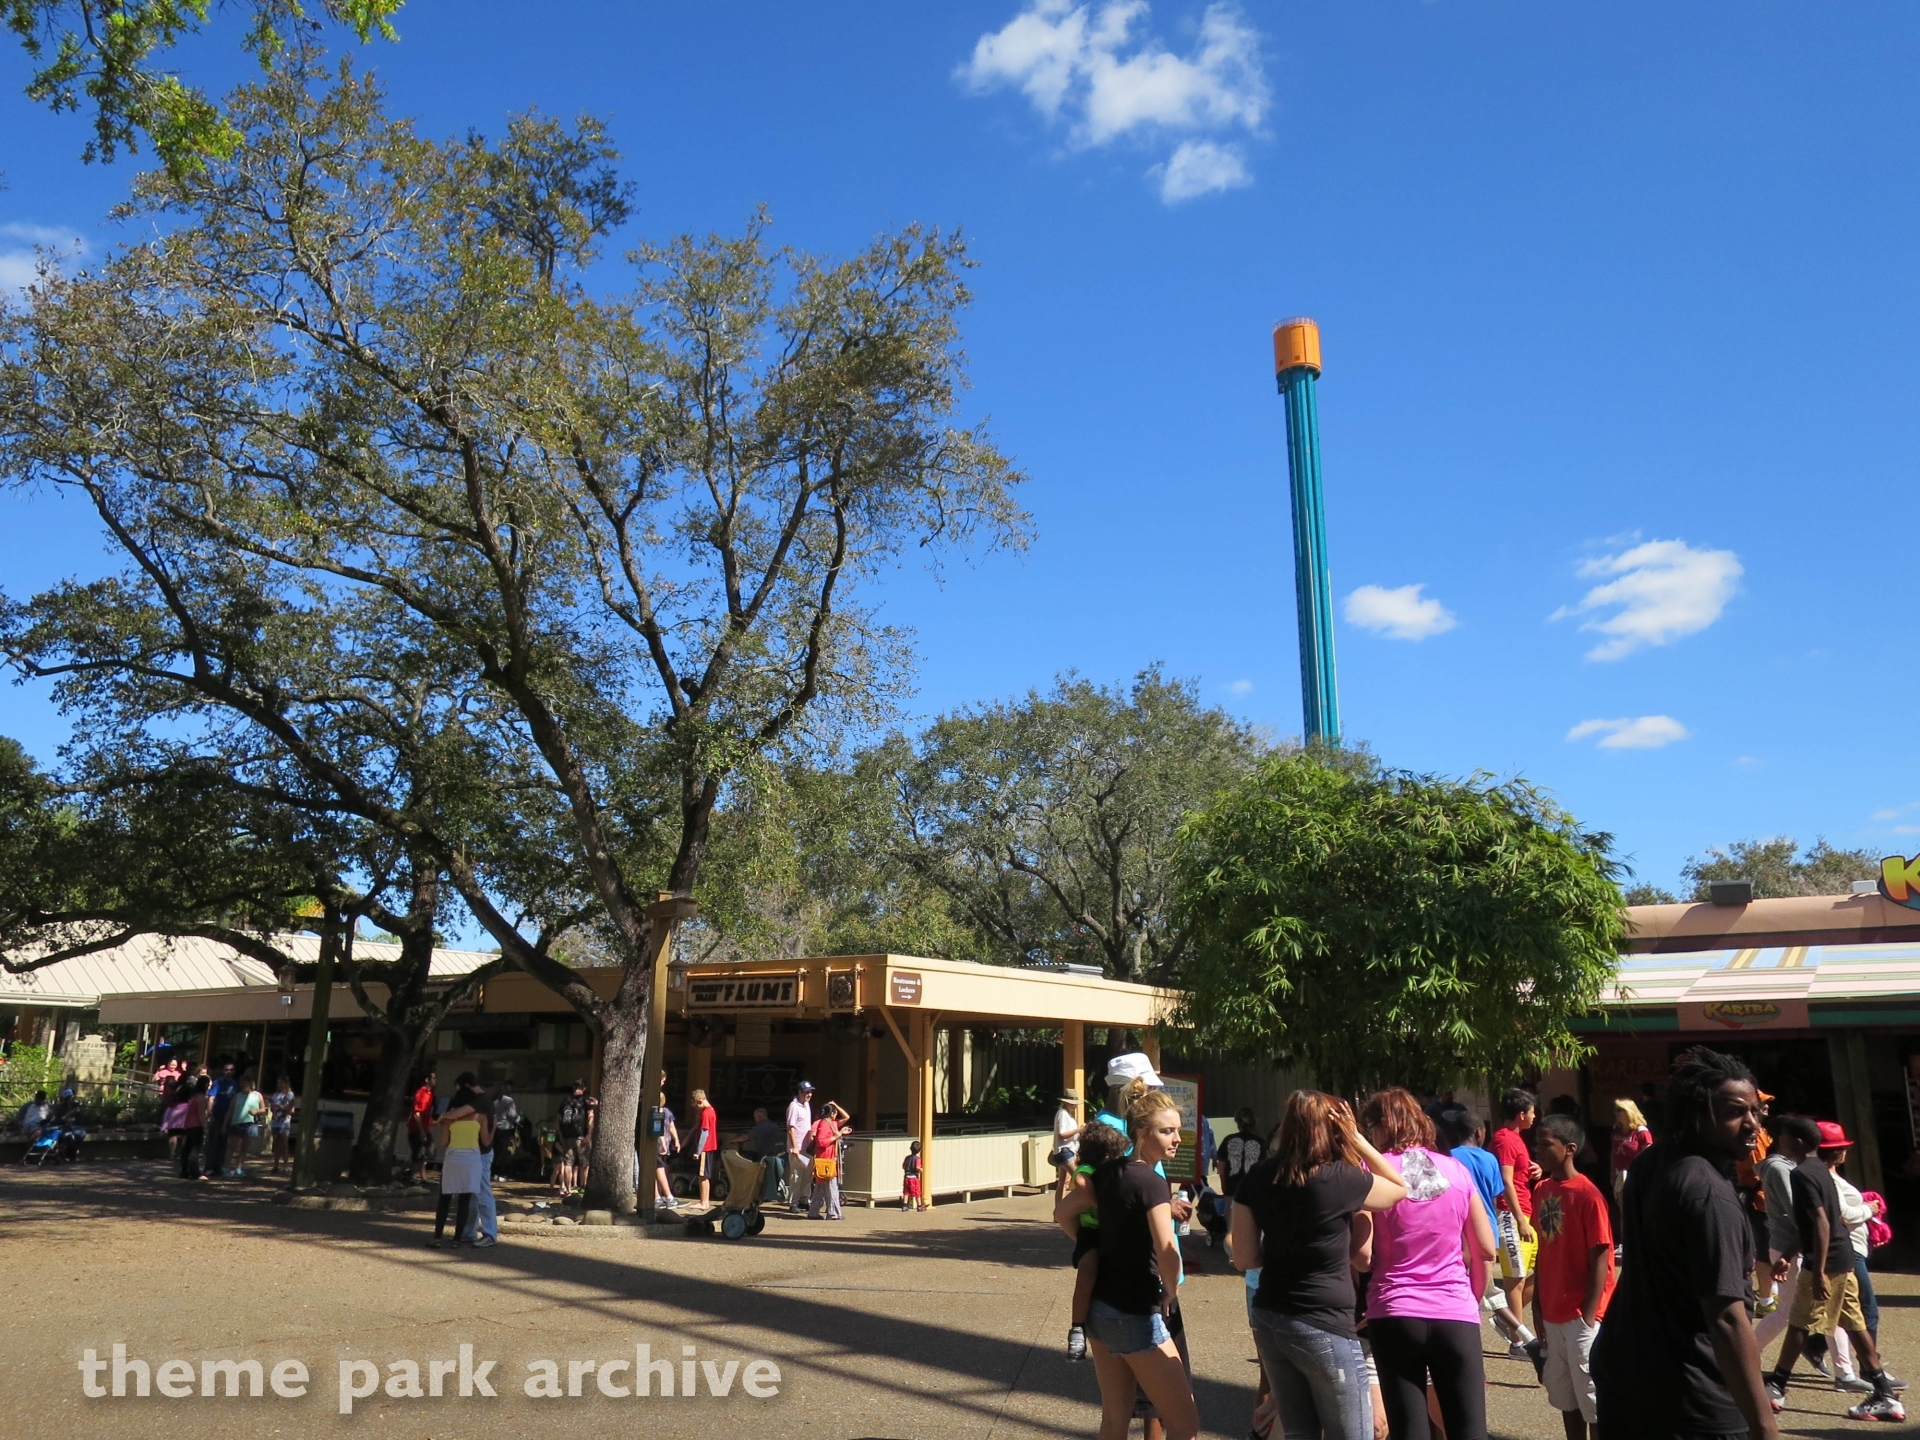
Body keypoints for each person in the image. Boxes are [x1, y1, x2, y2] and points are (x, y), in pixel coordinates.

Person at [1591, 1045, 1779, 1440]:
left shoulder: (1651, 1162)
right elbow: (1727, 1318)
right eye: (1734, 1112)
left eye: (1756, 1111)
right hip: (1689, 1397)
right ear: (1695, 1114)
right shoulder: (1707, 1194)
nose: (1752, 1124)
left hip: (1627, 1375)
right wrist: (1764, 1427)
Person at [1231, 1090, 1408, 1440]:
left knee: (1299, 1432)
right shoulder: (1340, 1178)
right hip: (1324, 1319)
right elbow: (1398, 1188)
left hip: (1270, 1318)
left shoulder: (1258, 1176)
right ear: (1335, 1130)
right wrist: (1358, 1141)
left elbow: (1245, 1258)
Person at [1057, 1085, 1201, 1440]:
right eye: (1166, 1131)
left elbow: (1063, 1214)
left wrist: (1092, 1244)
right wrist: (1170, 1290)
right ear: (1141, 1132)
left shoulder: (1108, 1173)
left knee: (1114, 1418)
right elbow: (1167, 1250)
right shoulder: (1151, 1183)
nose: (1177, 1139)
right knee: (1186, 1424)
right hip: (1136, 1311)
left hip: (1100, 1310)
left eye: (1178, 1130)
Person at [1359, 1087, 1496, 1440]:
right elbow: (1485, 1249)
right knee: (1469, 1429)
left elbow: (1363, 1255)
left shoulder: (1371, 1173)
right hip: (1455, 1311)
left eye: (1370, 1128)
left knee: (1409, 1430)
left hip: (1394, 1309)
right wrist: (1471, 1298)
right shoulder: (1457, 1170)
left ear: (1382, 1127)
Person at [1765, 1117, 1904, 1421]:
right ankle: (1885, 1395)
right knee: (1854, 1324)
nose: (1779, 1141)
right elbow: (1817, 1221)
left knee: (1800, 1322)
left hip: (1826, 1261)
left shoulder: (1802, 1173)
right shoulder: (1820, 1170)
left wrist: (1817, 1271)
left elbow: (1821, 1222)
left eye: (1783, 1136)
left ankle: (1776, 1385)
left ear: (1797, 1142)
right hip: (1843, 1258)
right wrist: (1788, 1255)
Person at [1532, 1112, 1615, 1440]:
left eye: (1545, 1144)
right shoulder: (1542, 1189)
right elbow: (1544, 1249)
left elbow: (1601, 1258)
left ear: (1569, 1149)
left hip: (1582, 1315)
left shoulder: (1587, 1195)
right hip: (1552, 1310)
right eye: (1536, 1143)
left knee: (1592, 1398)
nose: (1537, 1149)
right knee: (1565, 1395)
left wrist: (1589, 1315)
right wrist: (1538, 1303)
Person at [1059, 1119, 1130, 1360]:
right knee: (1087, 1271)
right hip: (1091, 1232)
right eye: (1113, 1154)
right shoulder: (1087, 1169)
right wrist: (1101, 1203)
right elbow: (1080, 1180)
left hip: (1114, 1231)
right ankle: (1077, 1328)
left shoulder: (1118, 1169)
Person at [1824, 1126, 1883, 1393]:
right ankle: (1871, 1369)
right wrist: (1869, 1209)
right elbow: (1844, 1215)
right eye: (1842, 1148)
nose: (1845, 1151)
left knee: (1843, 1309)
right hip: (1848, 1249)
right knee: (1866, 1310)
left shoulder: (1833, 1176)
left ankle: (1816, 1347)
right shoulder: (1828, 1179)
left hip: (1854, 1247)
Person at [1487, 1087, 1543, 1363]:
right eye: (1532, 1111)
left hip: (1524, 1212)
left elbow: (1518, 1173)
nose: (1534, 1116)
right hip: (1511, 1215)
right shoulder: (1505, 1140)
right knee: (1516, 1279)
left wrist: (1535, 1169)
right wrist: (1519, 1218)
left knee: (1537, 1273)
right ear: (1521, 1114)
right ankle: (1517, 1341)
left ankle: (1507, 1318)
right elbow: (1506, 1180)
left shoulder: (1515, 1139)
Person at [1755, 1116, 1810, 1345]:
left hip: (1795, 1244)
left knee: (1827, 1309)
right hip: (1789, 1245)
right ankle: (1747, 1355)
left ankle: (1843, 1365)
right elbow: (1796, 1210)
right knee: (1786, 1312)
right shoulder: (1779, 1168)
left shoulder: (1789, 1165)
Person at [432, 1080, 492, 1247]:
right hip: (471, 1159)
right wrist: (494, 1129)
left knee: (444, 1199)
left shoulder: (451, 1118)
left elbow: (444, 1142)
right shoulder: (480, 1117)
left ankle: (437, 1238)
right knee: (464, 1202)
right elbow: (486, 1142)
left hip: (453, 1158)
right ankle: (457, 1239)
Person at [807, 1101, 852, 1220]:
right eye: (835, 1112)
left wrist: (835, 1105)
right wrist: (837, 1135)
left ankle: (813, 1212)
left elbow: (846, 1117)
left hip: (827, 1159)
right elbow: (821, 1142)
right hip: (826, 1160)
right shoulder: (824, 1124)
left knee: (820, 1188)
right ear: (831, 1114)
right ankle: (833, 1213)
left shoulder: (831, 1123)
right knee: (831, 1187)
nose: (836, 1115)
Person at [554, 1080, 592, 1199]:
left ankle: (568, 1189)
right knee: (584, 1163)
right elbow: (590, 1117)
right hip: (581, 1137)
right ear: (584, 1089)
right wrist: (589, 1134)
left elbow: (558, 1119)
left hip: (566, 1136)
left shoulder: (565, 1101)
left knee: (568, 1163)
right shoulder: (586, 1101)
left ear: (573, 1088)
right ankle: (583, 1187)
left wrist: (560, 1135)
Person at [1219, 1107, 1265, 1200]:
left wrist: (1223, 1184)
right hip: (1253, 1189)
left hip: (1232, 1188)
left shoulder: (1228, 1140)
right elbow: (1264, 1168)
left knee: (1230, 1209)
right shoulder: (1261, 1142)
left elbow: (1221, 1165)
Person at [223, 1074, 264, 1179]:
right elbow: (230, 1111)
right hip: (236, 1124)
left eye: (244, 1084)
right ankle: (226, 1169)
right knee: (231, 1147)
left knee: (244, 1148)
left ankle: (238, 1169)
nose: (242, 1086)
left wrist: (256, 1111)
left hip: (250, 1124)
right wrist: (224, 1124)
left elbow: (263, 1109)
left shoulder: (257, 1095)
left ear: (250, 1084)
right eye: (241, 1084)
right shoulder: (237, 1096)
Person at [743, 1104, 785, 1203]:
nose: (754, 1119)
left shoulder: (760, 1127)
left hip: (763, 1155)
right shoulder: (775, 1126)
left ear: (760, 1116)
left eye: (755, 1117)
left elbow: (746, 1137)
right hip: (776, 1154)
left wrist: (732, 1140)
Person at [687, 1087, 719, 1209]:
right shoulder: (712, 1111)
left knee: (703, 1176)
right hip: (710, 1147)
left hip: (705, 1148)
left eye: (696, 1106)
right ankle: (705, 1201)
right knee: (705, 1176)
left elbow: (704, 1133)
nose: (697, 1109)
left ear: (699, 1101)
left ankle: (704, 1202)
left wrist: (698, 1151)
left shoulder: (706, 1113)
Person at [786, 1079, 815, 1209]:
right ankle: (793, 1203)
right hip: (797, 1148)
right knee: (796, 1176)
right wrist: (795, 1147)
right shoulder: (793, 1106)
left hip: (807, 1147)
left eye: (810, 1092)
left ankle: (804, 1200)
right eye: (806, 1092)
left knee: (807, 1176)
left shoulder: (807, 1105)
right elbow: (790, 1128)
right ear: (800, 1092)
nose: (808, 1095)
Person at [178, 1074, 210, 1180]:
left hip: (189, 1125)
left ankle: (184, 1171)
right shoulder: (201, 1098)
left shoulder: (193, 1097)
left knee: (187, 1149)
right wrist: (205, 1127)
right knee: (195, 1150)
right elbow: (201, 1114)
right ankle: (195, 1172)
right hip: (197, 1126)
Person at [407, 1071, 436, 1182]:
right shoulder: (421, 1093)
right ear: (427, 1080)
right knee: (419, 1155)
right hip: (417, 1129)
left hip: (425, 1128)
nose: (436, 1080)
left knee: (429, 1153)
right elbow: (417, 1113)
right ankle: (411, 1177)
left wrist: (433, 1121)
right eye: (433, 1078)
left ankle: (408, 1173)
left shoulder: (430, 1093)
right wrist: (421, 1131)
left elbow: (425, 1113)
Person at [1052, 1089, 1083, 1188]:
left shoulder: (1067, 1115)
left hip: (1066, 1150)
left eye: (1075, 1104)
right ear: (1065, 1103)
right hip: (1065, 1151)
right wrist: (1079, 1129)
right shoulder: (1063, 1114)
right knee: (1079, 1178)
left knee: (1063, 1183)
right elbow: (1062, 1135)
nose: (1074, 1106)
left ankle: (1061, 1199)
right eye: (1072, 1103)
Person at [267, 1076, 296, 1175]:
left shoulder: (290, 1095)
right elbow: (272, 1109)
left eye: (281, 1083)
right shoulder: (275, 1095)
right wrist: (273, 1107)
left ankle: (286, 1167)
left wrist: (280, 1107)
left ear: (286, 1084)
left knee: (284, 1144)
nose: (279, 1085)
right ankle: (275, 1166)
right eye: (278, 1083)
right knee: (276, 1144)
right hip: (275, 1122)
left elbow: (291, 1110)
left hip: (284, 1122)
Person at [903, 1138, 927, 1211]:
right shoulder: (917, 1159)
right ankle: (919, 1206)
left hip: (907, 1177)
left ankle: (905, 1206)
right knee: (917, 1192)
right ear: (919, 1150)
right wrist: (921, 1170)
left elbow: (903, 1166)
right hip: (914, 1178)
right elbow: (917, 1167)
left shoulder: (907, 1158)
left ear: (910, 1148)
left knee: (906, 1192)